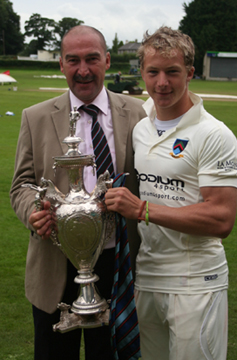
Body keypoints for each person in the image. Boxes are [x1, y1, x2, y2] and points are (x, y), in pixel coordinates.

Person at [105, 26, 237, 360]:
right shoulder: (142, 127)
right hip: (148, 276)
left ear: (190, 73)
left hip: (196, 281)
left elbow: (221, 218)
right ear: (142, 72)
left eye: (172, 72)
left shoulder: (213, 134)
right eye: (153, 72)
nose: (161, 83)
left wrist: (142, 210)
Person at [10, 25, 146, 360]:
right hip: (54, 265)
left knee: (110, 355)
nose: (82, 70)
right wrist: (33, 212)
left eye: (91, 59)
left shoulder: (136, 113)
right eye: (73, 60)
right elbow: (21, 183)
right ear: (61, 64)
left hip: (116, 263)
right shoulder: (35, 117)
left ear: (107, 60)